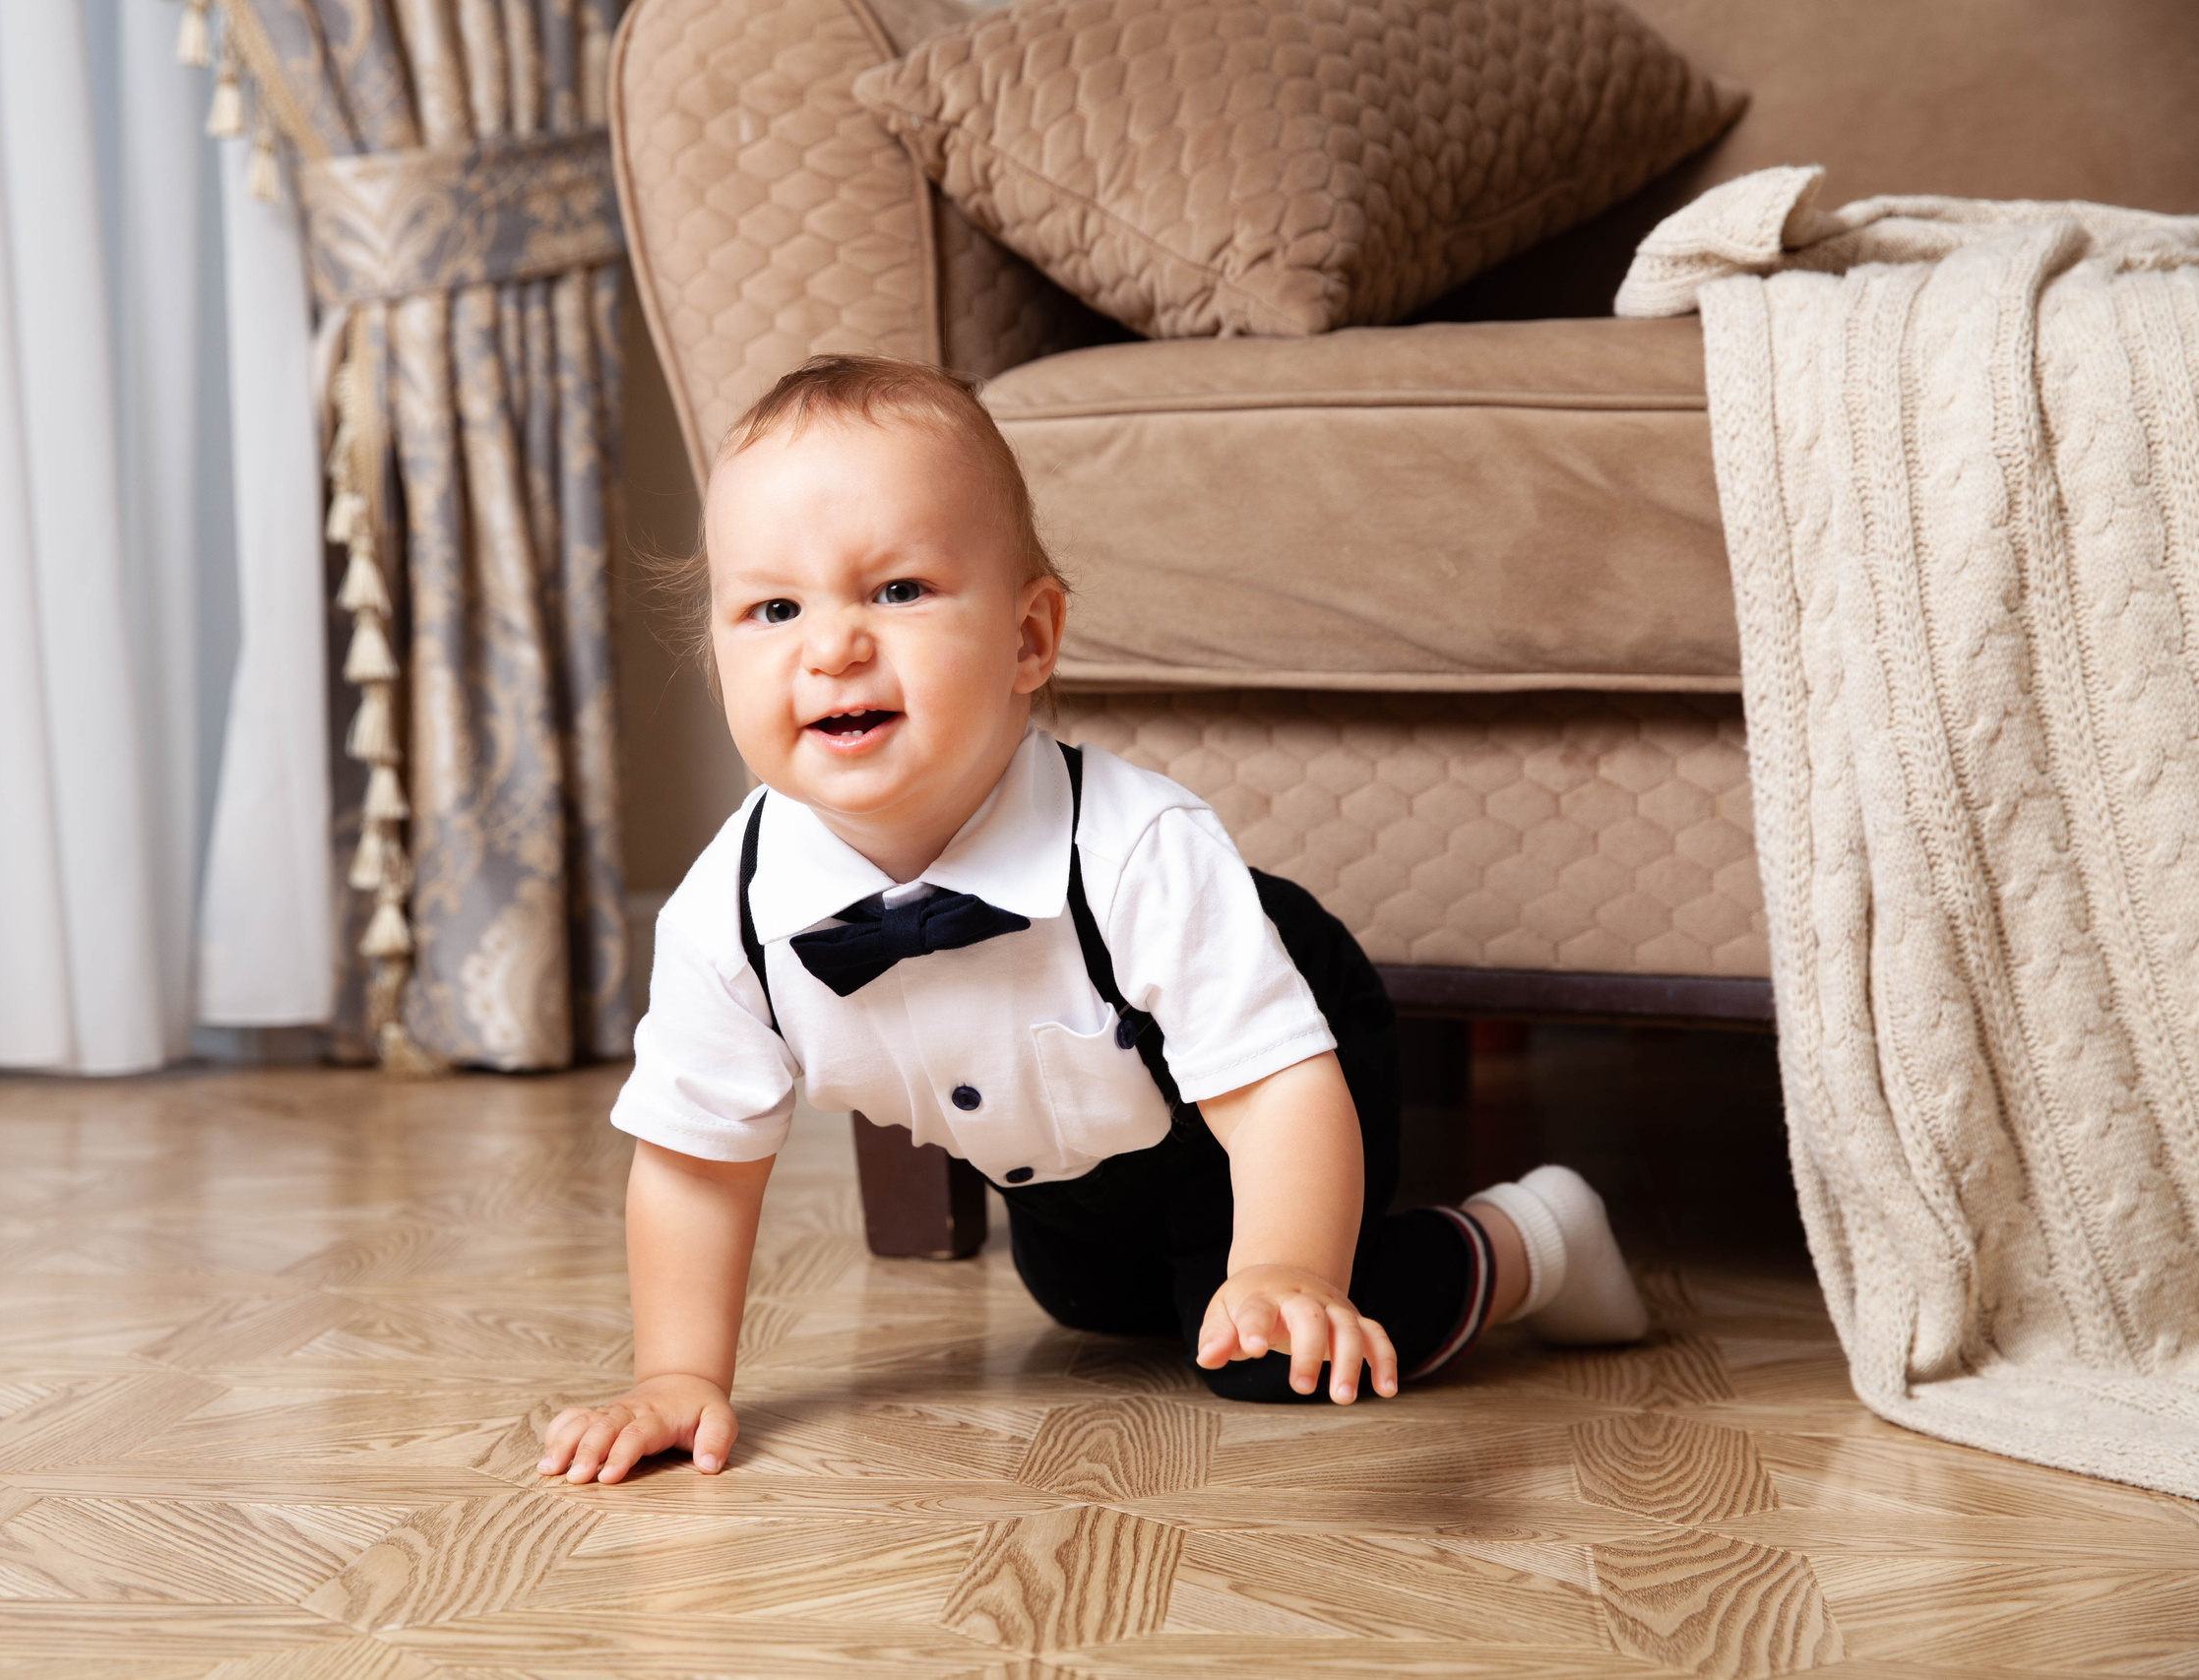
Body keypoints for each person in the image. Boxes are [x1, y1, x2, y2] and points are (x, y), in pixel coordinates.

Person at [541, 355, 1648, 1486]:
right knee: (1085, 1299)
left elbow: (1274, 1091)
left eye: (898, 592)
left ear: (1029, 640)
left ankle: (1537, 1236)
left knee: (1262, 1346)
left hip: (1271, 1046)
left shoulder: (1136, 850)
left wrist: (1288, 1268)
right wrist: (679, 1376)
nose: (832, 648)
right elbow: (693, 1166)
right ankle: (1201, 1260)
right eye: (774, 608)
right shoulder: (726, 916)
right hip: (1076, 1134)